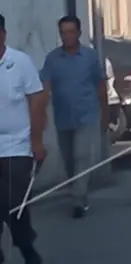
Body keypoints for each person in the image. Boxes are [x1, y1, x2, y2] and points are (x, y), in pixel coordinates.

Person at [39, 16, 105, 219]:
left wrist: (105, 113)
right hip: (63, 117)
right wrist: (40, 110)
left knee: (81, 156)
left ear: (79, 33)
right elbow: (45, 87)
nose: (66, 36)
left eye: (70, 32)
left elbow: (100, 85)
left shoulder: (90, 57)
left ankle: (78, 199)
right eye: (63, 32)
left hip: (86, 115)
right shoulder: (52, 59)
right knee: (68, 159)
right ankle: (80, 191)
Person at [0, 14, 46, 263]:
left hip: (16, 148)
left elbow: (36, 102)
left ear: (3, 34)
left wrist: (37, 142)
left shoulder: (20, 62)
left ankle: (27, 247)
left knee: (14, 205)